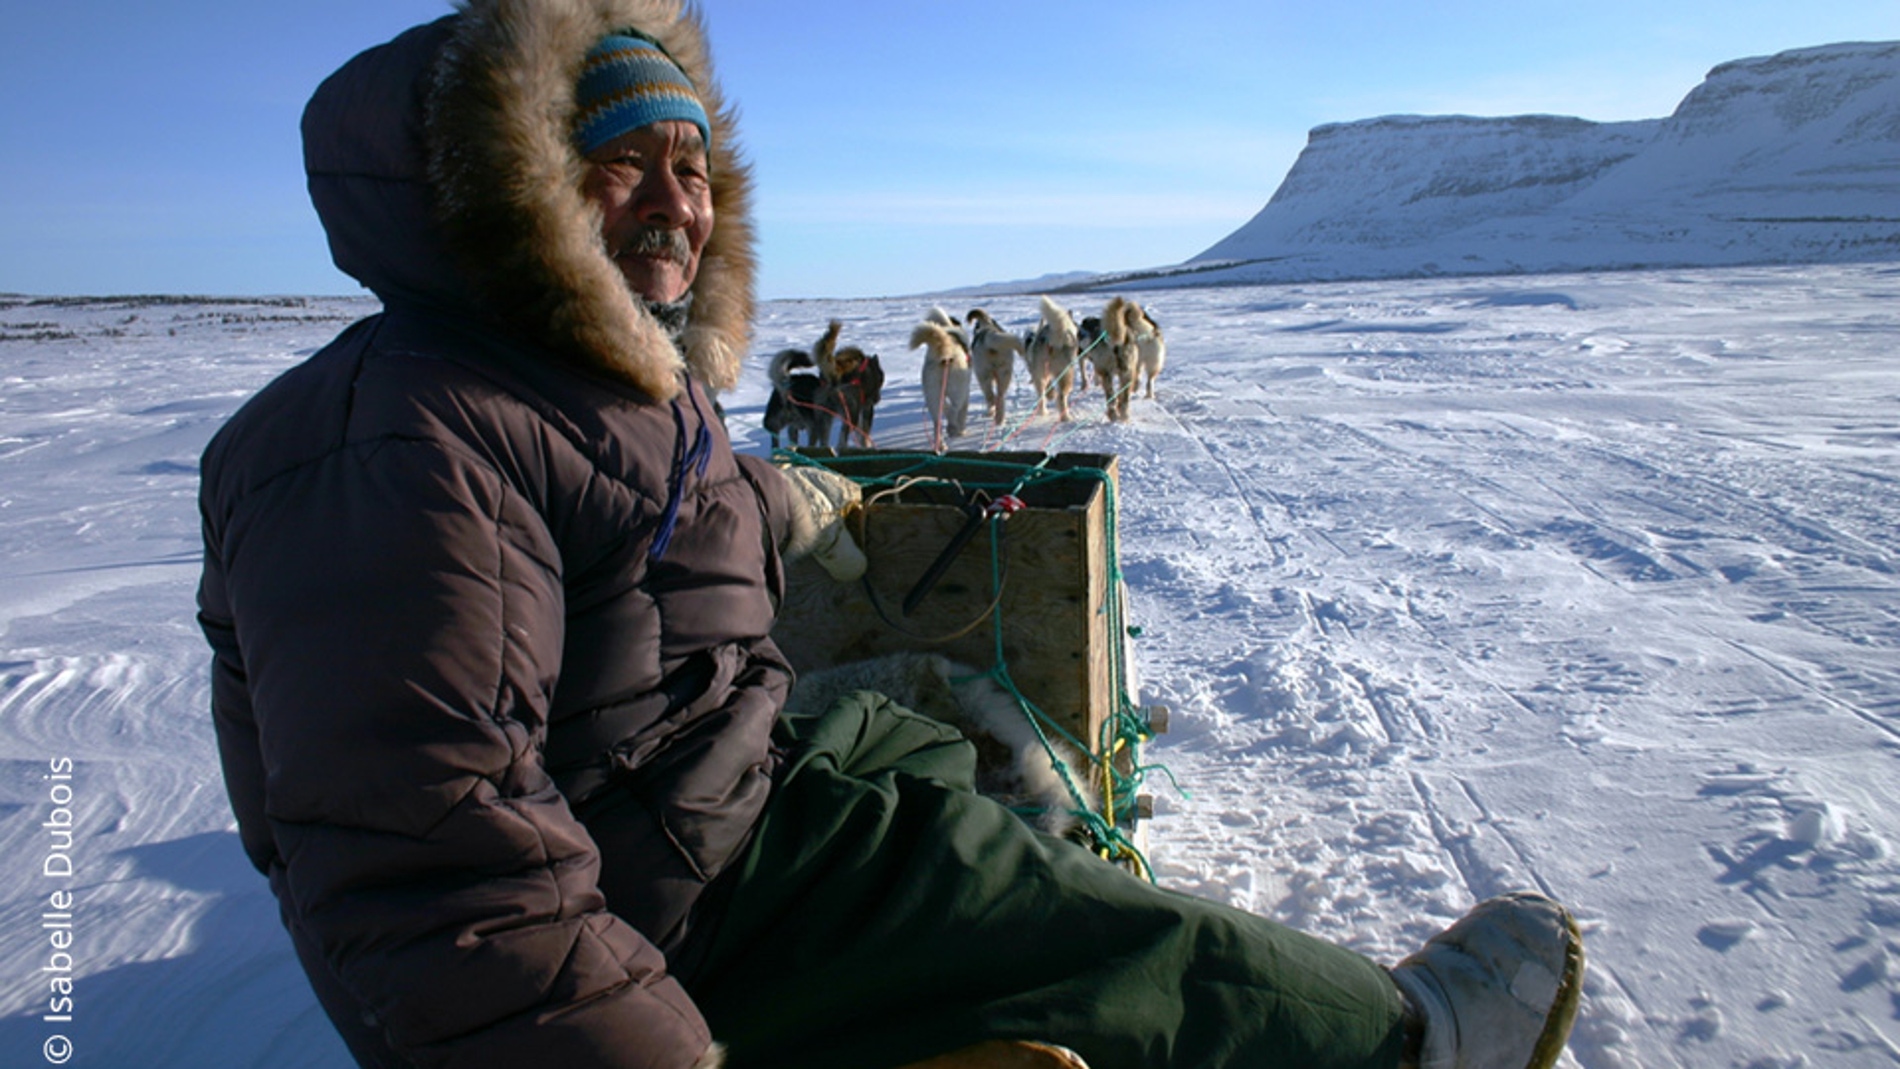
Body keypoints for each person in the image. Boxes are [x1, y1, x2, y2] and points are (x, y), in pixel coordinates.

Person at [196, 3, 1584, 1068]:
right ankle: (1391, 1037)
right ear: (522, 188)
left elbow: (640, 515)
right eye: (624, 164)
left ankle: (1005, 963)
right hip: (668, 903)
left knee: (938, 715)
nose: (679, 201)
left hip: (706, 778)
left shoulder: (588, 378)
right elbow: (434, 876)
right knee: (973, 868)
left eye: (695, 167)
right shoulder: (388, 445)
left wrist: (799, 496)